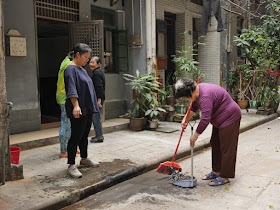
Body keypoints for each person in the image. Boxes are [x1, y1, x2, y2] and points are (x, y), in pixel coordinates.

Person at [174, 78, 241, 186]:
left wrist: (195, 137)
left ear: (191, 92)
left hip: (230, 117)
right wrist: (185, 119)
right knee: (215, 143)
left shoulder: (205, 96)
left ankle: (224, 176)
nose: (187, 99)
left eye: (186, 97)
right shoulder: (197, 91)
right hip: (219, 119)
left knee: (227, 147)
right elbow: (194, 107)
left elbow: (205, 119)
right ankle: (216, 171)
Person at [64, 43, 100, 178]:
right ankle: (71, 165)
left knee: (84, 135)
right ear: (77, 55)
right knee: (76, 136)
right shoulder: (70, 69)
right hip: (78, 108)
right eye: (85, 57)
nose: (87, 60)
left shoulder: (82, 69)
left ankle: (84, 159)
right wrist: (76, 105)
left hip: (87, 108)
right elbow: (71, 89)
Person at [56, 52, 80, 158]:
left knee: (67, 124)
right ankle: (64, 151)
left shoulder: (65, 62)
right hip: (65, 97)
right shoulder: (70, 65)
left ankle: (69, 148)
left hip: (62, 95)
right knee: (66, 124)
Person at [89, 56, 105, 143]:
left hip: (97, 99)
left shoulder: (97, 73)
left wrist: (98, 100)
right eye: (90, 62)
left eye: (93, 62)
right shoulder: (98, 72)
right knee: (96, 117)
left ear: (98, 64)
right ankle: (98, 135)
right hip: (97, 99)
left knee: (96, 118)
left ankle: (99, 136)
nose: (91, 64)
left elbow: (99, 87)